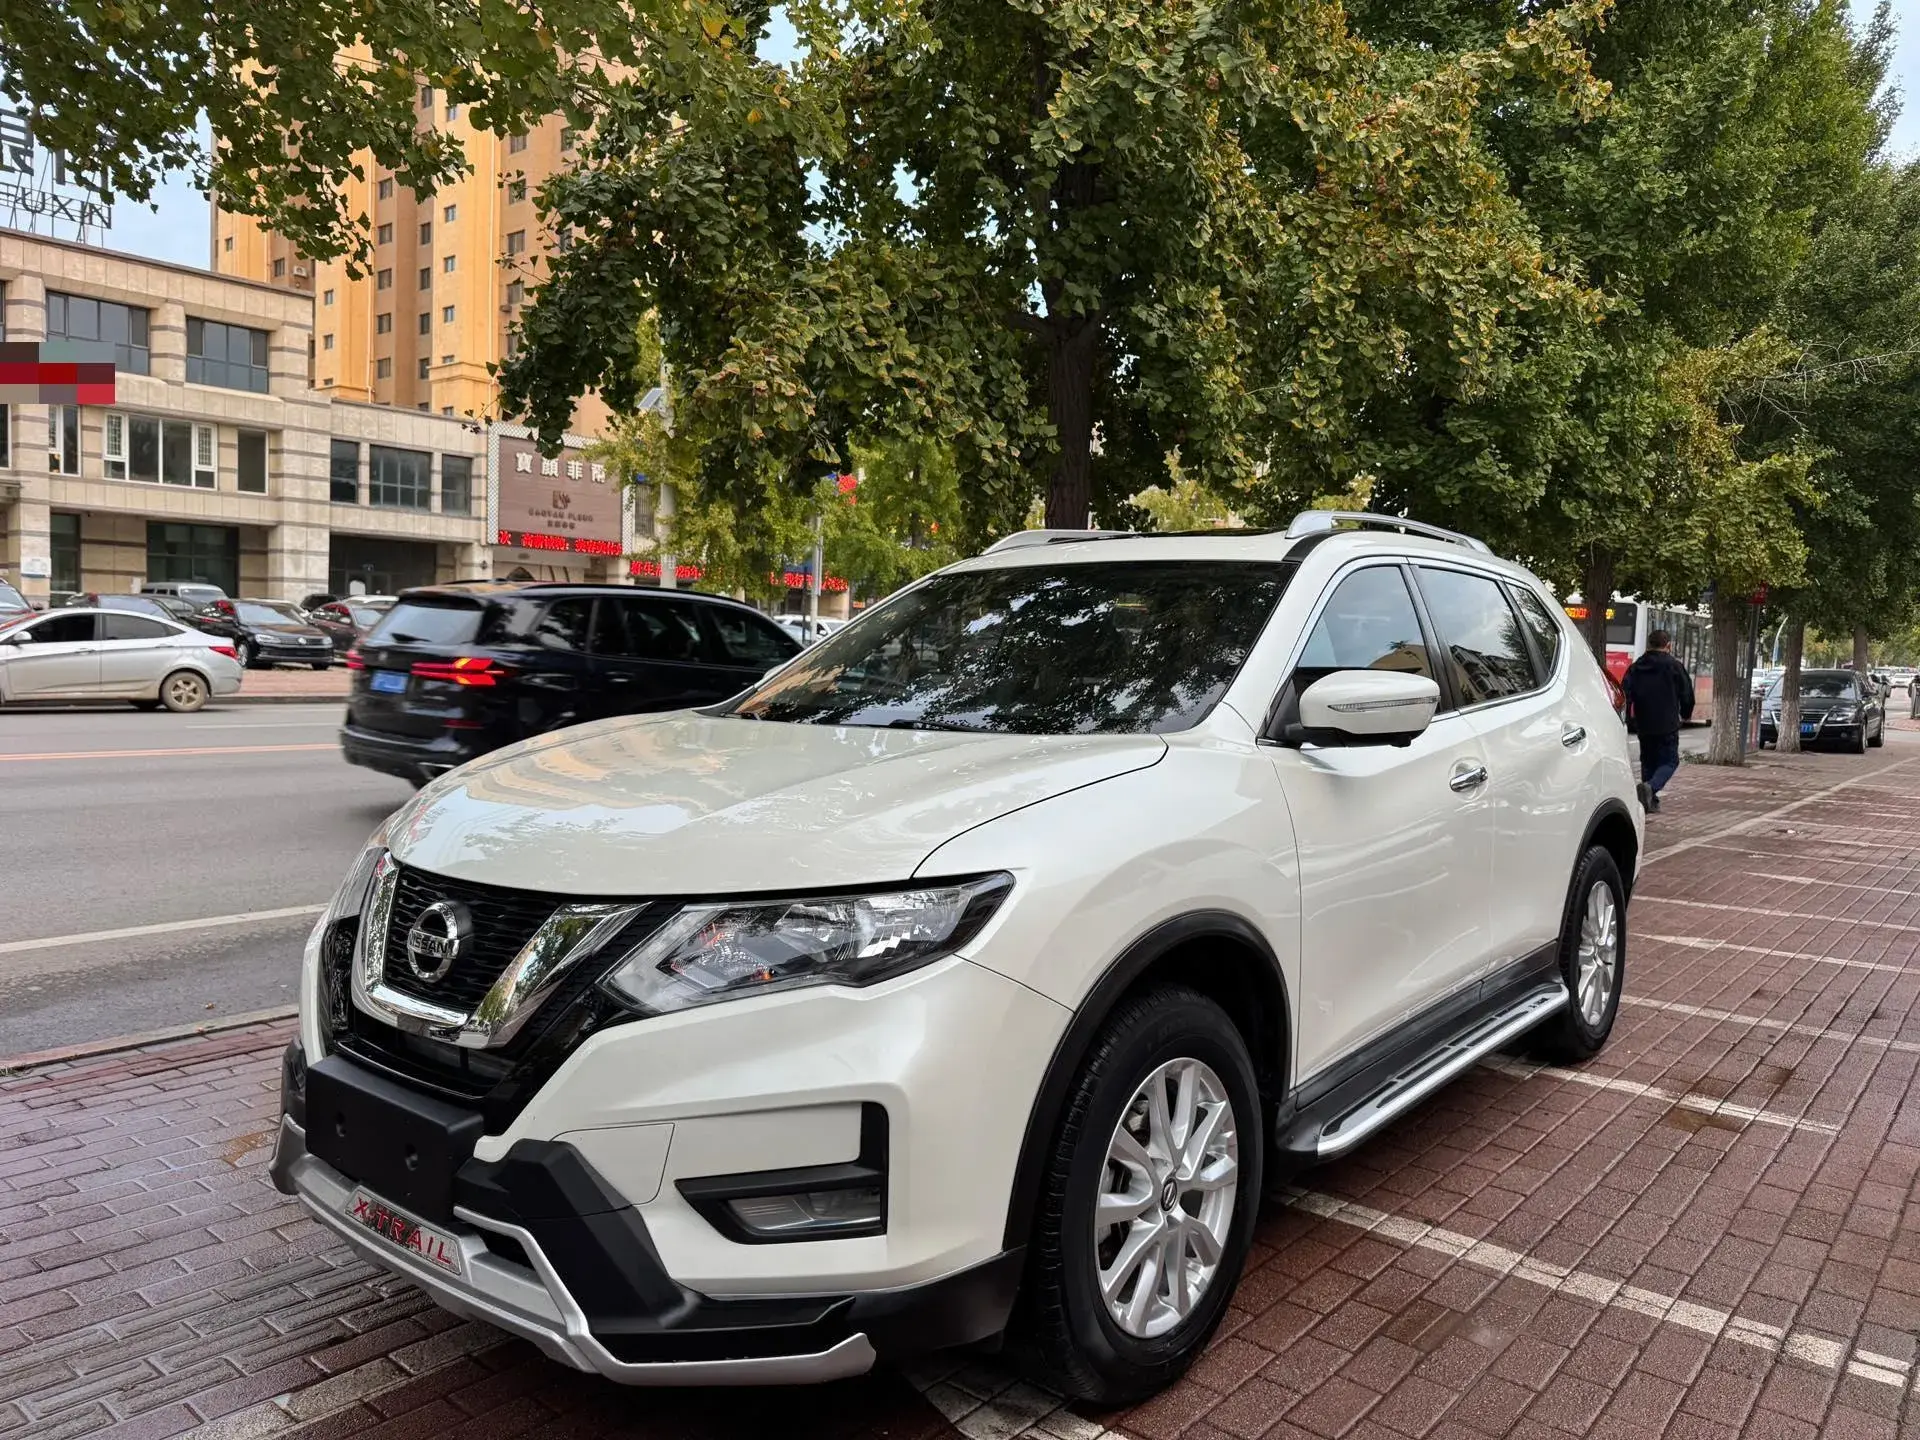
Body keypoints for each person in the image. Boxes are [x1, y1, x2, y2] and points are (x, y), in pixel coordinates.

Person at [1624, 630, 1693, 812]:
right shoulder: (1674, 666)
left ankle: (1650, 802)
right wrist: (1686, 713)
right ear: (1668, 645)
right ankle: (1651, 787)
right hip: (1667, 723)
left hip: (1644, 723)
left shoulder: (1636, 667)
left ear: (1649, 644)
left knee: (1648, 761)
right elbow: (1686, 694)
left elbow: (1625, 694)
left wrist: (1627, 718)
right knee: (1670, 761)